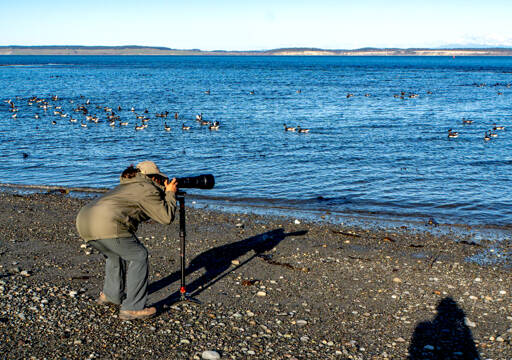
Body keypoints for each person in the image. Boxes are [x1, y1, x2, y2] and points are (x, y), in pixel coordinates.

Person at [76, 161, 177, 320]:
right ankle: (132, 308)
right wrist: (170, 194)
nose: (161, 181)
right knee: (139, 255)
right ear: (152, 177)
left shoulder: (126, 186)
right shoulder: (146, 189)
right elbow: (166, 217)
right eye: (159, 178)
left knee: (114, 254)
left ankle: (111, 295)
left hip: (84, 223)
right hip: (107, 225)